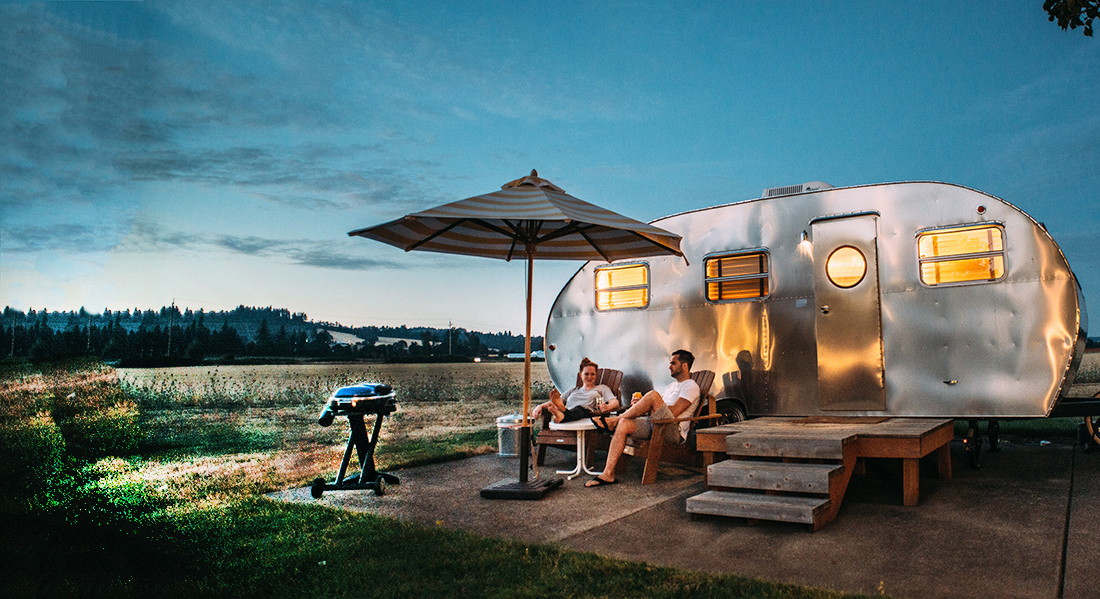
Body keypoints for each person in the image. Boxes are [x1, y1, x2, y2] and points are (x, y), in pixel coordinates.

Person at [584, 349, 700, 487]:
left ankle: (613, 420)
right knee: (624, 423)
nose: (669, 366)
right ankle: (608, 473)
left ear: (685, 366)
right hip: (655, 423)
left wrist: (649, 403)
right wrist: (640, 405)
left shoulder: (691, 386)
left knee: (652, 395)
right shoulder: (672, 386)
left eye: (673, 363)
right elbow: (658, 408)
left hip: (672, 430)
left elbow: (674, 412)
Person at [531, 357, 619, 423]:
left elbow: (615, 402)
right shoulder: (574, 390)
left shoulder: (602, 388)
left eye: (592, 374)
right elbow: (556, 401)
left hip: (587, 416)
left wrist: (608, 407)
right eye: (586, 374)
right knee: (556, 405)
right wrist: (540, 406)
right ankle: (562, 412)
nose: (589, 377)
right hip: (570, 416)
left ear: (596, 376)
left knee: (579, 409)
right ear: (581, 375)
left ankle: (562, 413)